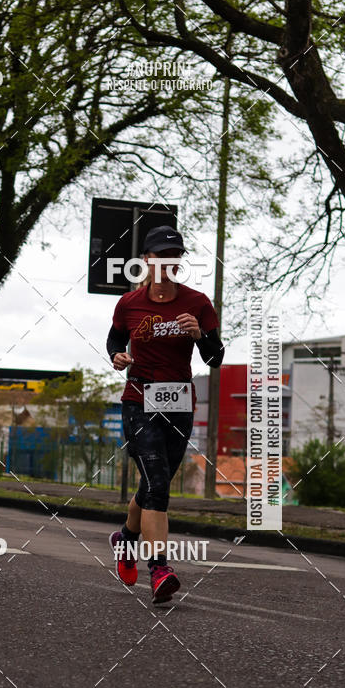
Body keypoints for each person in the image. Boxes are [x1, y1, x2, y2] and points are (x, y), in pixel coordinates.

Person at [106, 225, 224, 603]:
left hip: (179, 404)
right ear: (147, 261)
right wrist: (117, 356)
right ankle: (159, 567)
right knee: (157, 484)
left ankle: (125, 538)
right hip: (138, 400)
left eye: (176, 257)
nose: (169, 263)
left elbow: (215, 358)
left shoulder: (198, 303)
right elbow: (115, 338)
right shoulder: (129, 303)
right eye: (162, 256)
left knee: (154, 485)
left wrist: (200, 337)